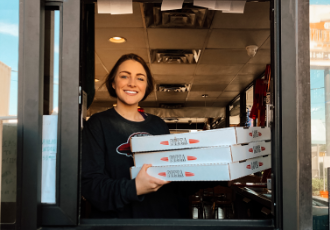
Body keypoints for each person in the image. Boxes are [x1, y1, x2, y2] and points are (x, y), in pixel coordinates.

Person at [82, 53, 187, 218]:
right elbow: (90, 186)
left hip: (161, 221)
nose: (132, 83)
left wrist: (219, 173)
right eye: (124, 76)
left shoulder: (158, 125)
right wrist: (135, 188)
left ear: (146, 86)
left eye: (140, 78)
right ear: (113, 83)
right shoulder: (98, 124)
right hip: (118, 225)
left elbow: (172, 182)